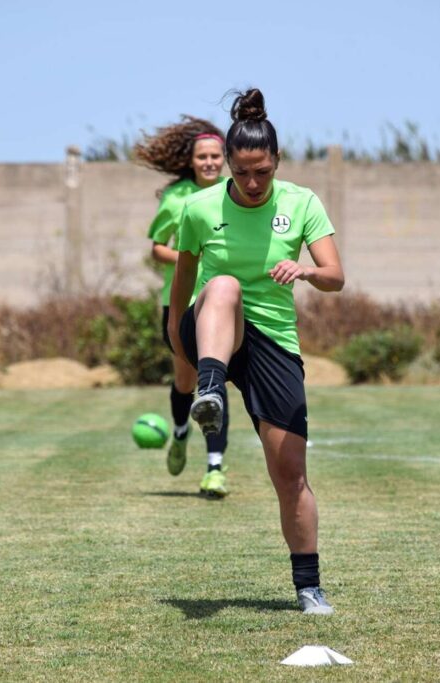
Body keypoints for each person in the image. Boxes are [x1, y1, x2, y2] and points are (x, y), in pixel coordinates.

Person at [168, 88, 345, 615]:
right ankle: (210, 389)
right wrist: (180, 347)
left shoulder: (302, 202)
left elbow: (336, 277)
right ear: (227, 163)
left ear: (276, 164)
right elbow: (182, 287)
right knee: (222, 285)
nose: (251, 183)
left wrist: (307, 270)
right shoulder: (199, 208)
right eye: (241, 172)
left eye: (262, 172)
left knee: (289, 472)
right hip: (213, 330)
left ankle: (309, 586)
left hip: (272, 339)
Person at [133, 116, 232, 498]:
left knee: (214, 383)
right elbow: (157, 247)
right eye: (202, 156)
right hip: (179, 304)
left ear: (224, 159)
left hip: (221, 305)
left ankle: (215, 469)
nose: (209, 162)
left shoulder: (236, 190)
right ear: (191, 161)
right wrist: (188, 259)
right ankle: (179, 434)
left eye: (215, 156)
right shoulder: (176, 198)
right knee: (186, 383)